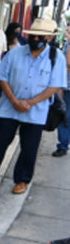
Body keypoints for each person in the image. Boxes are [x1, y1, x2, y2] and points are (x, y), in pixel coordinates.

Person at [0, 18, 67, 194]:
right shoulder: (15, 53)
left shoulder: (56, 57)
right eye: (33, 34)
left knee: (29, 147)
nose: (35, 38)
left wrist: (30, 103)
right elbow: (2, 78)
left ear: (49, 38)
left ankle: (22, 180)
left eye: (41, 36)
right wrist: (14, 101)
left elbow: (55, 85)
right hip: (8, 108)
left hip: (36, 111)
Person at [52, 24, 70, 157]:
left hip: (67, 86)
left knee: (65, 116)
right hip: (66, 85)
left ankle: (63, 145)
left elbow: (67, 64)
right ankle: (63, 144)